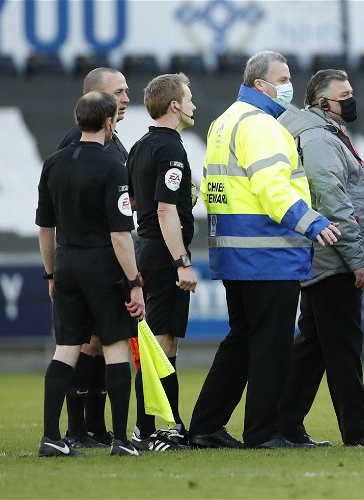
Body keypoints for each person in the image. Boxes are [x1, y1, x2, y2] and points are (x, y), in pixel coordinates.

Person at [188, 51, 340, 450]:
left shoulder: (224, 122)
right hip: (268, 253)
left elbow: (214, 187)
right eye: (284, 77)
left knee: (240, 341)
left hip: (234, 251)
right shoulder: (264, 127)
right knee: (271, 346)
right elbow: (272, 189)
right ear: (261, 84)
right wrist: (313, 222)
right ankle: (262, 432)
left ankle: (206, 425)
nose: (290, 84)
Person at [277, 69, 364, 447]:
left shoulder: (324, 133)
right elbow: (331, 200)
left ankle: (284, 423)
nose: (350, 99)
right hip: (333, 259)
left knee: (314, 347)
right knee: (344, 346)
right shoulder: (318, 138)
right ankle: (358, 429)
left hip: (325, 257)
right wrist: (357, 257)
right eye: (343, 94)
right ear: (321, 103)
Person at [36, 91, 144, 457]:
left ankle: (51, 436)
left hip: (65, 263)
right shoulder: (114, 167)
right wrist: (133, 281)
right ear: (109, 122)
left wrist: (51, 274)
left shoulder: (53, 163)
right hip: (101, 265)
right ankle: (120, 440)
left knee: (66, 347)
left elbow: (44, 228)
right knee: (115, 346)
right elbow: (119, 234)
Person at [56, 67, 131, 448]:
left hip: (95, 256)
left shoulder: (112, 141)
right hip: (94, 257)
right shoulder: (78, 142)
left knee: (96, 342)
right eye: (119, 92)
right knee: (88, 343)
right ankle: (78, 428)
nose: (126, 98)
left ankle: (93, 428)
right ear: (96, 98)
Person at [126, 73, 198, 452]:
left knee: (152, 343)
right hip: (163, 253)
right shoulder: (171, 149)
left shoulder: (139, 145)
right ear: (174, 105)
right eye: (188, 98)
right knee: (164, 341)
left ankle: (146, 428)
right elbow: (164, 209)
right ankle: (164, 430)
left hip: (147, 248)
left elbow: (136, 201)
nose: (193, 105)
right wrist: (182, 261)